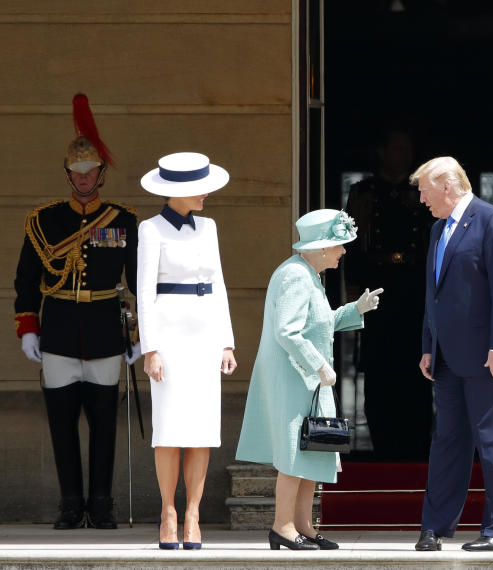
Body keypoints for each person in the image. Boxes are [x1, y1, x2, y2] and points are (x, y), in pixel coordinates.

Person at [14, 93, 139, 530]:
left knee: (104, 425)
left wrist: (139, 336)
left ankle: (101, 504)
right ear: (67, 173)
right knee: (62, 426)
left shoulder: (123, 220)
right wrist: (29, 328)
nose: (83, 179)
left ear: (101, 173)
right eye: (76, 172)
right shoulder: (43, 221)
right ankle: (71, 504)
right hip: (60, 330)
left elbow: (138, 283)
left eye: (90, 172)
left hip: (105, 328)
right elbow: (26, 281)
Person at [236, 209, 383, 551]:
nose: (343, 251)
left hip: (304, 378)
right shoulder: (295, 275)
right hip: (294, 376)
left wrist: (355, 310)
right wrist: (319, 366)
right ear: (320, 247)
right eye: (339, 245)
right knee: (293, 455)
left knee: (309, 453)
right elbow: (288, 331)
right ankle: (283, 527)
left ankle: (302, 525)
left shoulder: (307, 274)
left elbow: (318, 324)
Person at [412, 156, 493, 552]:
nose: (421, 199)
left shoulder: (491, 220)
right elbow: (434, 294)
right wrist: (428, 345)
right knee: (447, 443)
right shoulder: (438, 229)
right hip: (447, 357)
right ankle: (434, 526)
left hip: (490, 356)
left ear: (447, 185)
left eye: (424, 190)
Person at [137, 152, 238, 549]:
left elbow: (219, 284)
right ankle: (168, 512)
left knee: (200, 430)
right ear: (176, 192)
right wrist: (151, 348)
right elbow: (144, 291)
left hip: (204, 337)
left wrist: (226, 341)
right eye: (199, 188)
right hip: (169, 336)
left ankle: (193, 513)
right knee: (168, 431)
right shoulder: (151, 229)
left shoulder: (209, 226)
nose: (207, 194)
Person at [345, 126, 433, 461]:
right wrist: (353, 297)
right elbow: (350, 247)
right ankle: (384, 448)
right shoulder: (363, 192)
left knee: (417, 371)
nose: (404, 155)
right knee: (379, 372)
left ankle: (417, 451)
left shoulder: (419, 193)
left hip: (413, 290)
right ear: (382, 152)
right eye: (397, 148)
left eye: (407, 149)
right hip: (376, 289)